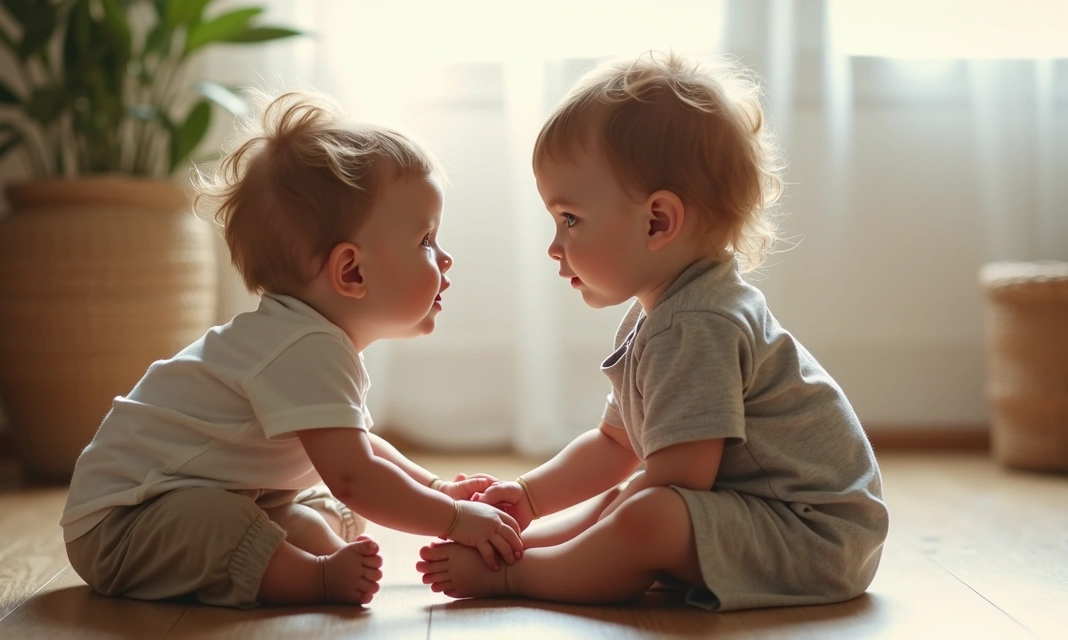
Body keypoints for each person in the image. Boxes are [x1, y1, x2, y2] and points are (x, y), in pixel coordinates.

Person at [417, 52, 888, 611]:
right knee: (625, 500)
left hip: (813, 539)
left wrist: (592, 529)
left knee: (647, 513)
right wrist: (526, 499)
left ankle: (513, 577)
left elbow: (680, 478)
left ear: (658, 221)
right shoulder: (664, 313)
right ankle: (515, 550)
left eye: (569, 219)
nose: (554, 244)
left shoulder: (697, 324)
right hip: (767, 519)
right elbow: (617, 443)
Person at [60, 89, 523, 609]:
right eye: (426, 240)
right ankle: (313, 578)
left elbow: (362, 449)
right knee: (238, 518)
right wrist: (455, 519)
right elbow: (356, 475)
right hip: (122, 522)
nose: (446, 257)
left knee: (312, 504)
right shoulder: (304, 346)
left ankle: (298, 552)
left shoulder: (313, 340)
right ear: (351, 271)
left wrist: (435, 488)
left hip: (225, 493)